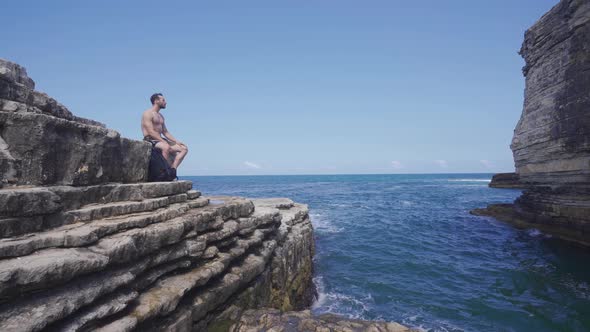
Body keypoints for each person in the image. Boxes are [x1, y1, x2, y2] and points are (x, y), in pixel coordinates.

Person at [141, 93, 188, 170]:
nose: (165, 102)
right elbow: (150, 132)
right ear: (156, 101)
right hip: (150, 139)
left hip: (160, 139)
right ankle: (163, 171)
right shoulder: (147, 113)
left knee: (184, 148)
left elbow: (165, 132)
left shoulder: (160, 116)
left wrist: (176, 141)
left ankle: (172, 170)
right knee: (166, 147)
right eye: (163, 100)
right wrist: (163, 141)